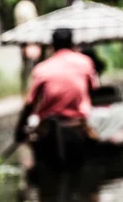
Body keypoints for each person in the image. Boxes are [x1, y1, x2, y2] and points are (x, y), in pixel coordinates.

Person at [13, 28, 101, 164]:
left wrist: (19, 131)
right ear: (72, 43)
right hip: (77, 124)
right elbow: (93, 90)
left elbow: (30, 103)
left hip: (48, 128)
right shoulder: (85, 62)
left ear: (52, 45)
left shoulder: (42, 68)